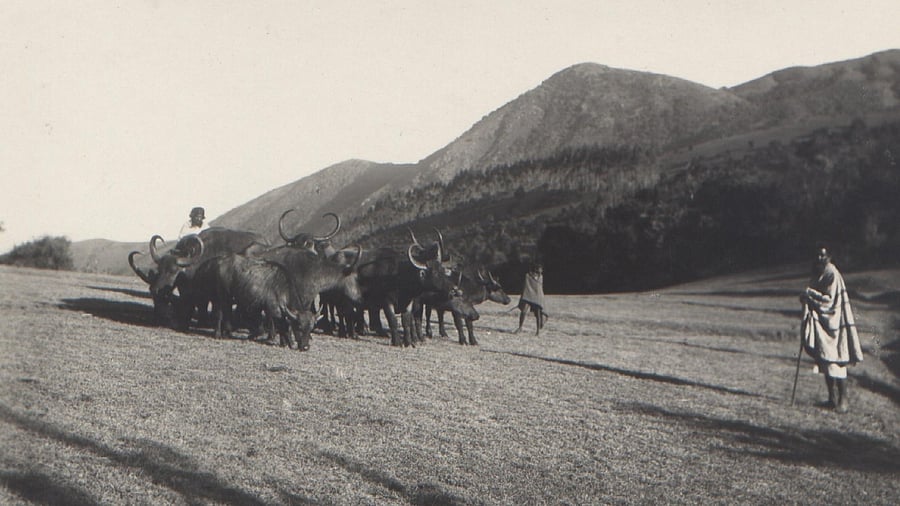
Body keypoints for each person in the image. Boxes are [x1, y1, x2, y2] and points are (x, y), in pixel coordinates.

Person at [799, 246, 863, 413]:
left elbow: (829, 300)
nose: (820, 257)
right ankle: (831, 398)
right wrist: (807, 297)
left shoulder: (831, 273)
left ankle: (843, 400)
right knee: (826, 361)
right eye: (818, 254)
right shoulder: (818, 273)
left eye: (824, 254)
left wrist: (810, 295)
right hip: (824, 324)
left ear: (829, 256)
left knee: (837, 362)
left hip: (835, 324)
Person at [514, 263, 548, 336]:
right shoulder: (528, 276)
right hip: (528, 295)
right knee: (523, 311)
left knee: (538, 314)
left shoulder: (541, 277)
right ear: (536, 269)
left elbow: (539, 288)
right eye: (540, 269)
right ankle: (520, 327)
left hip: (538, 297)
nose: (541, 270)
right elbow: (526, 286)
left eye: (542, 269)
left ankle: (538, 331)